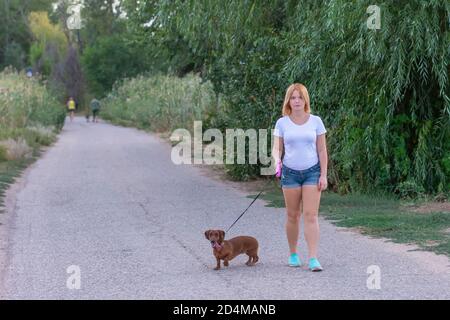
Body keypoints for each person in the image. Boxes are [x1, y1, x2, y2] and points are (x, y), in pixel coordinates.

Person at [272, 83, 328, 272]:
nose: (296, 101)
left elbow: (322, 149)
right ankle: (293, 254)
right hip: (290, 174)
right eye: (293, 97)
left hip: (312, 172)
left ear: (305, 100)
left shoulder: (316, 121)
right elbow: (277, 148)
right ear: (288, 101)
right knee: (292, 215)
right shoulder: (281, 123)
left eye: (300, 97)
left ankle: (313, 258)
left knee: (311, 215)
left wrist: (324, 174)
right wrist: (276, 162)